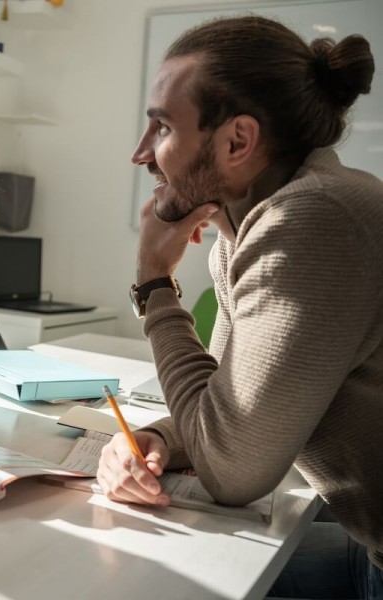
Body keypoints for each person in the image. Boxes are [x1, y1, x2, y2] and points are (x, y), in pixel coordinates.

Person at [95, 15, 382, 599]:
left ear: (237, 141)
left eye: (162, 128)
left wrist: (154, 282)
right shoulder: (254, 230)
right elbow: (225, 407)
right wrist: (158, 438)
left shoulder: (312, 219)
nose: (141, 154)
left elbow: (231, 470)